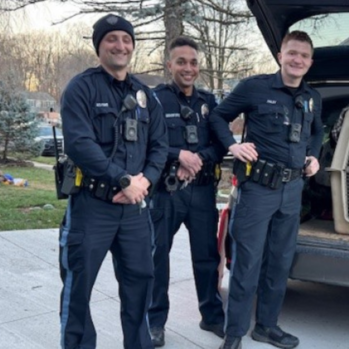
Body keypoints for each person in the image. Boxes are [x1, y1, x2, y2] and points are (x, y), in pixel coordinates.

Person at [58, 14, 169, 349]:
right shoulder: (82, 88)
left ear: (132, 46)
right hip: (93, 208)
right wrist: (123, 180)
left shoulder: (145, 95)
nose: (120, 45)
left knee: (140, 285)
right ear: (99, 46)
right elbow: (80, 144)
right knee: (78, 288)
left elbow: (160, 146)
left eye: (126, 39)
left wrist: (144, 182)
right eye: (111, 39)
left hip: (135, 210)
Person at [209, 31, 324, 349]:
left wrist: (314, 157)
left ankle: (267, 326)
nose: (297, 60)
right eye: (292, 53)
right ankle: (234, 333)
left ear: (310, 62)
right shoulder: (254, 87)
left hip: (292, 191)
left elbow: (317, 131)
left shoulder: (312, 98)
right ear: (280, 56)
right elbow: (218, 117)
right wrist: (233, 145)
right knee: (248, 262)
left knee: (280, 261)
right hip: (258, 190)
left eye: (303, 55)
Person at [148, 36, 227, 347]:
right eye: (181, 61)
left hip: (202, 191)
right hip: (166, 192)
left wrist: (197, 160)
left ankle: (212, 316)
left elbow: (221, 143)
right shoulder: (154, 100)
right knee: (157, 258)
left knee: (207, 257)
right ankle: (155, 322)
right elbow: (147, 142)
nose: (188, 68)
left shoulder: (209, 103)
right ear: (169, 65)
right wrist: (178, 155)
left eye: (193, 62)